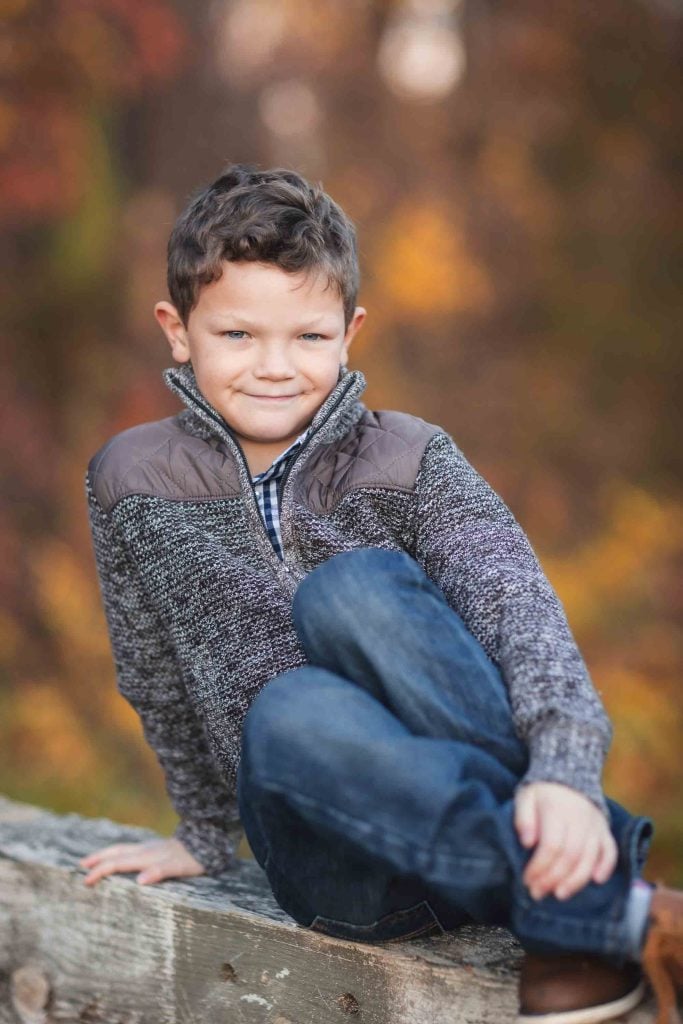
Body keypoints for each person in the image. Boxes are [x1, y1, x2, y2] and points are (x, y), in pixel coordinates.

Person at [80, 163, 682, 1023]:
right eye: (239, 336)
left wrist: (565, 774)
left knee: (353, 590)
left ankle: (569, 922)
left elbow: (520, 610)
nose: (276, 368)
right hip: (336, 859)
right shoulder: (130, 480)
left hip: (497, 818)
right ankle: (604, 908)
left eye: (309, 338)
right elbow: (152, 675)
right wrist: (205, 836)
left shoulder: (409, 456)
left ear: (350, 331)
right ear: (178, 331)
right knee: (285, 711)